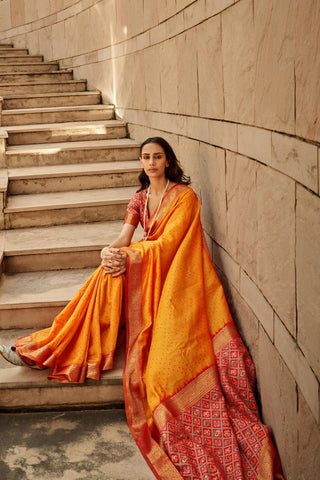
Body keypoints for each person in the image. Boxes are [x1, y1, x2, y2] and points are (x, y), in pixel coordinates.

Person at [0, 137, 284, 480]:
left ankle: (56, 345)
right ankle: (51, 346)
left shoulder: (184, 197)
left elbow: (169, 245)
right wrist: (111, 251)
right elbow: (125, 236)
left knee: (162, 368)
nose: (151, 162)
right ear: (141, 162)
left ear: (168, 161)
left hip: (180, 277)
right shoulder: (139, 199)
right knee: (105, 273)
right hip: (148, 269)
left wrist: (133, 256)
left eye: (157, 157)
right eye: (146, 157)